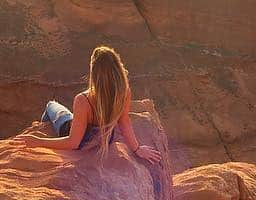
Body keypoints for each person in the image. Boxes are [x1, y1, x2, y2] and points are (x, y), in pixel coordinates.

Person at [14, 45, 163, 164]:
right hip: (104, 139)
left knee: (51, 106)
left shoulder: (83, 100)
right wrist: (137, 149)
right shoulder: (123, 92)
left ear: (94, 72)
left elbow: (73, 142)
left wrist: (38, 141)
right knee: (74, 117)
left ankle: (44, 129)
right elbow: (124, 122)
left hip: (82, 141)